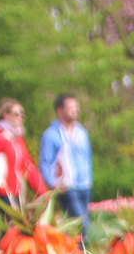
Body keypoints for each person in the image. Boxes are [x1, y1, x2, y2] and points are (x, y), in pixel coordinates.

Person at [39, 94, 93, 239]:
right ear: (60, 110)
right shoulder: (50, 135)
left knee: (79, 224)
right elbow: (44, 161)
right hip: (66, 186)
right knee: (81, 223)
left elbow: (87, 157)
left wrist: (89, 179)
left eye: (76, 107)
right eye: (70, 107)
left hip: (84, 185)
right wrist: (51, 183)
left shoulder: (82, 133)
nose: (75, 111)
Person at [0, 99, 47, 205]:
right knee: (13, 220)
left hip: (17, 191)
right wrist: (4, 139)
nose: (20, 117)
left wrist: (43, 192)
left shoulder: (17, 138)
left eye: (22, 114)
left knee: (14, 221)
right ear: (6, 115)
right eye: (16, 114)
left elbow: (27, 166)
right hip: (1, 189)